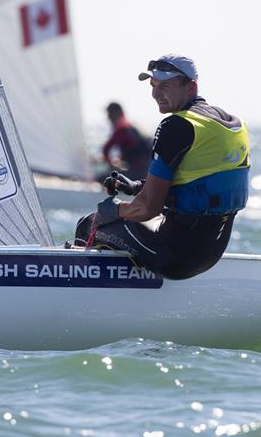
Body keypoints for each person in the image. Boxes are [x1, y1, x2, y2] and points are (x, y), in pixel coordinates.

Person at [76, 54, 250, 279]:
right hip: (210, 256)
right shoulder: (232, 123)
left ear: (191, 87)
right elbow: (195, 183)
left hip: (173, 259)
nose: (156, 94)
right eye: (153, 85)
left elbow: (148, 208)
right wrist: (137, 187)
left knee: (89, 224)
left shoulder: (176, 125)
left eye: (165, 86)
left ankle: (88, 299)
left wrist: (113, 210)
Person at [101, 102, 151, 181]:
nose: (108, 118)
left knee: (102, 178)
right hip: (148, 171)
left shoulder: (121, 129)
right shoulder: (132, 126)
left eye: (109, 114)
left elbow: (106, 150)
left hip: (139, 173)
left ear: (113, 115)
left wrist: (111, 164)